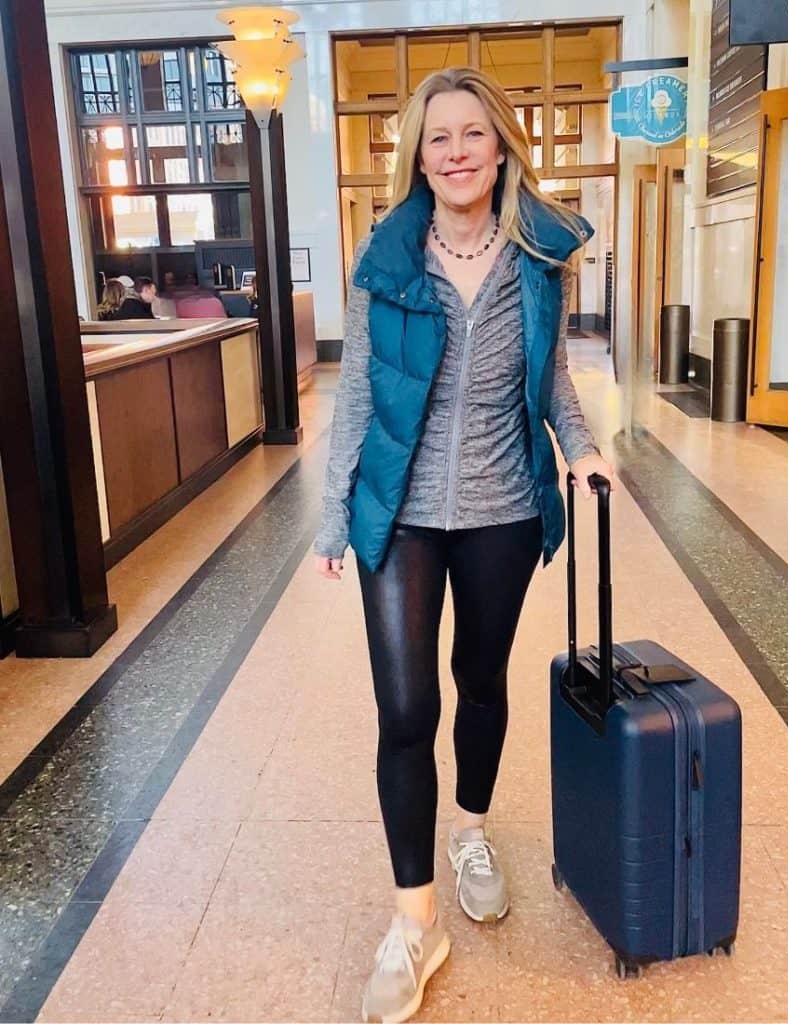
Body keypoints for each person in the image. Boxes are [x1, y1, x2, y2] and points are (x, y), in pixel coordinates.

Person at [313, 67, 617, 1024]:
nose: (455, 152)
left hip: (502, 508)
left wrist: (586, 450)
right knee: (405, 711)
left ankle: (473, 832)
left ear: (500, 147)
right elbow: (357, 393)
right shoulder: (386, 258)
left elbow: (553, 377)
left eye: (472, 135)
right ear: (418, 154)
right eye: (437, 137)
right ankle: (414, 926)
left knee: (479, 683)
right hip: (398, 512)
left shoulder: (538, 254)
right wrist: (332, 520)